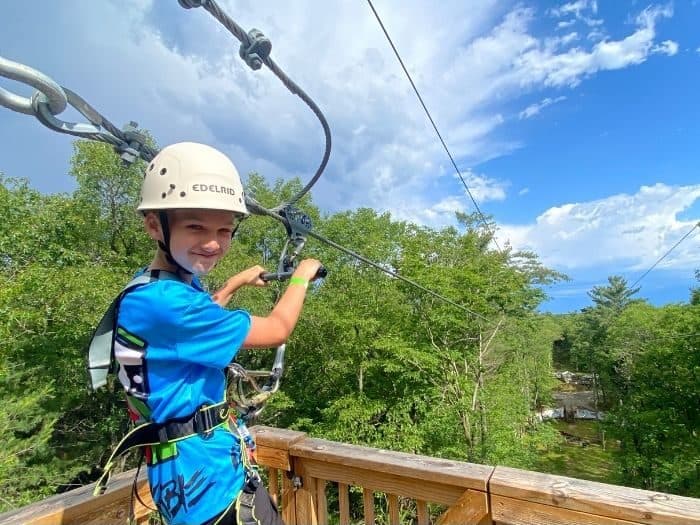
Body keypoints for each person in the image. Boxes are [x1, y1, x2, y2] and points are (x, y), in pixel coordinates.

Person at [108, 142, 321, 525]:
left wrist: (235, 282)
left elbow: (194, 325)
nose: (212, 243)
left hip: (188, 479)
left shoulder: (151, 289)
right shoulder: (169, 303)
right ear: (154, 224)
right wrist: (302, 276)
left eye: (224, 230)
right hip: (208, 488)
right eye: (196, 227)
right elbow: (277, 329)